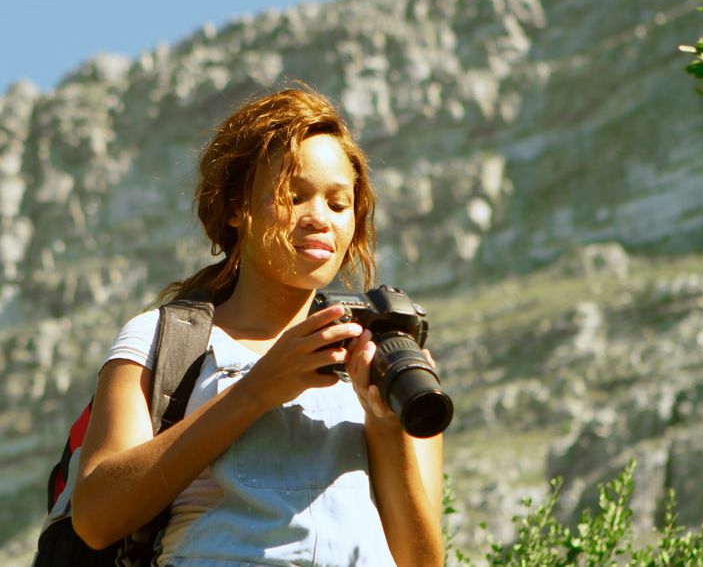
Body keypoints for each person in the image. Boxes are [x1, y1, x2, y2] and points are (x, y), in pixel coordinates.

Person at [72, 86, 445, 567]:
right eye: (294, 196)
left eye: (339, 204)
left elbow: (422, 561)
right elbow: (96, 518)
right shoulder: (161, 340)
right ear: (235, 209)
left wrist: (384, 422)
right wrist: (259, 389)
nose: (319, 219)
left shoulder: (391, 362)